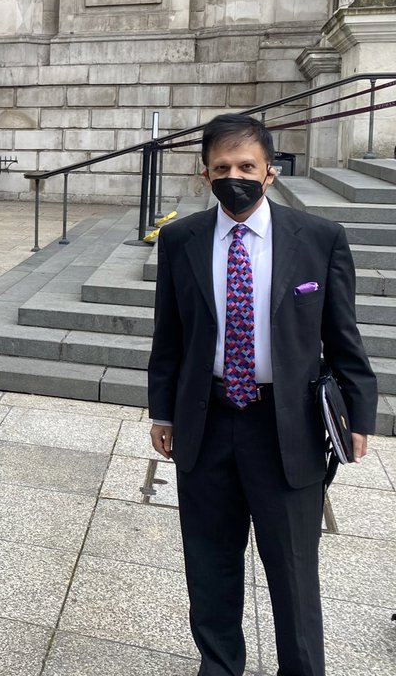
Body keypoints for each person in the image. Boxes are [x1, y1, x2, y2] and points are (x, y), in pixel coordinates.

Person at [147, 113, 377, 676]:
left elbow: (342, 334)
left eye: (246, 166)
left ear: (269, 172)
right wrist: (162, 409)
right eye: (222, 167)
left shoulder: (319, 240)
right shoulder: (181, 240)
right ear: (205, 175)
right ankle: (219, 665)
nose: (235, 176)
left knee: (294, 569)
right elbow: (169, 333)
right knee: (210, 562)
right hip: (208, 419)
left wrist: (359, 412)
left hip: (287, 426)